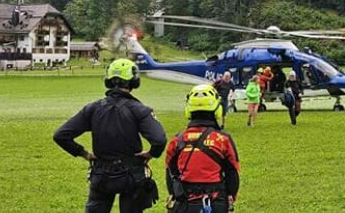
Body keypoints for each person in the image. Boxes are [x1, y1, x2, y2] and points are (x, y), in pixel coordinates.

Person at [54, 58, 167, 213]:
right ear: (133, 80)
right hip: (132, 175)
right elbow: (159, 139)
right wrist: (150, 154)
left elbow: (61, 135)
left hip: (101, 174)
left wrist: (84, 153)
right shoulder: (140, 110)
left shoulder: (93, 108)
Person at [165, 84, 240, 212]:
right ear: (217, 108)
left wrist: (174, 193)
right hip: (215, 201)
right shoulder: (223, 139)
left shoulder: (177, 140)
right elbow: (233, 172)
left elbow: (170, 172)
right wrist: (230, 196)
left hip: (185, 202)